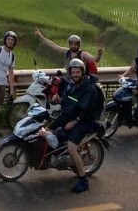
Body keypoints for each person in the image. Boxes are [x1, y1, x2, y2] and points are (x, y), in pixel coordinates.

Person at [47, 58, 102, 193]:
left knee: (71, 147)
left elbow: (85, 110)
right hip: (73, 116)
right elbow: (67, 102)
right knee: (52, 131)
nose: (75, 74)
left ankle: (83, 180)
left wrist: (74, 122)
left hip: (86, 121)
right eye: (73, 72)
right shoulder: (72, 85)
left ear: (82, 72)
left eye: (78, 72)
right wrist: (59, 100)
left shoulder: (88, 89)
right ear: (70, 73)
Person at [34, 29, 103, 74]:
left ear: (79, 45)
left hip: (81, 80)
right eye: (72, 44)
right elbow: (53, 46)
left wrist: (99, 54)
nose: (73, 46)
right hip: (70, 79)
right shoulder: (67, 52)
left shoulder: (83, 54)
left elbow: (95, 59)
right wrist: (41, 36)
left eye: (76, 44)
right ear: (69, 44)